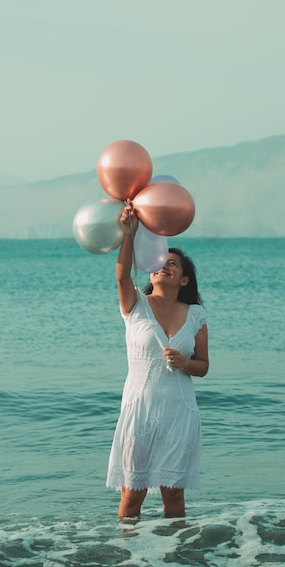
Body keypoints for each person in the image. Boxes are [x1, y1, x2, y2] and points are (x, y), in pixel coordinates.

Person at [106, 203, 209, 519]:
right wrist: (128, 234)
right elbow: (122, 276)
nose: (165, 264)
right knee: (132, 496)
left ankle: (173, 566)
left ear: (184, 281)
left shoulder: (195, 315)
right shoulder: (136, 304)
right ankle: (127, 562)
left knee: (174, 497)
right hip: (140, 409)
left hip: (179, 411)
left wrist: (184, 362)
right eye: (161, 260)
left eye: (173, 263)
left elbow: (203, 365)